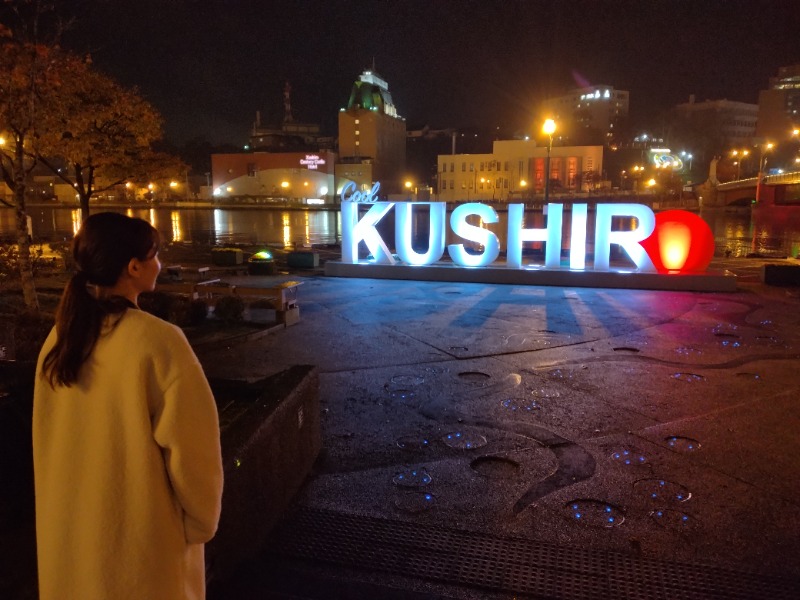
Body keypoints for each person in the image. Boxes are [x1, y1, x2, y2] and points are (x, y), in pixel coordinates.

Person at [33, 212, 223, 600]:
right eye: (154, 255)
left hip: (71, 543)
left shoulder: (60, 339)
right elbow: (194, 453)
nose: (160, 264)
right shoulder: (159, 342)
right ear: (133, 267)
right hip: (141, 551)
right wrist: (200, 524)